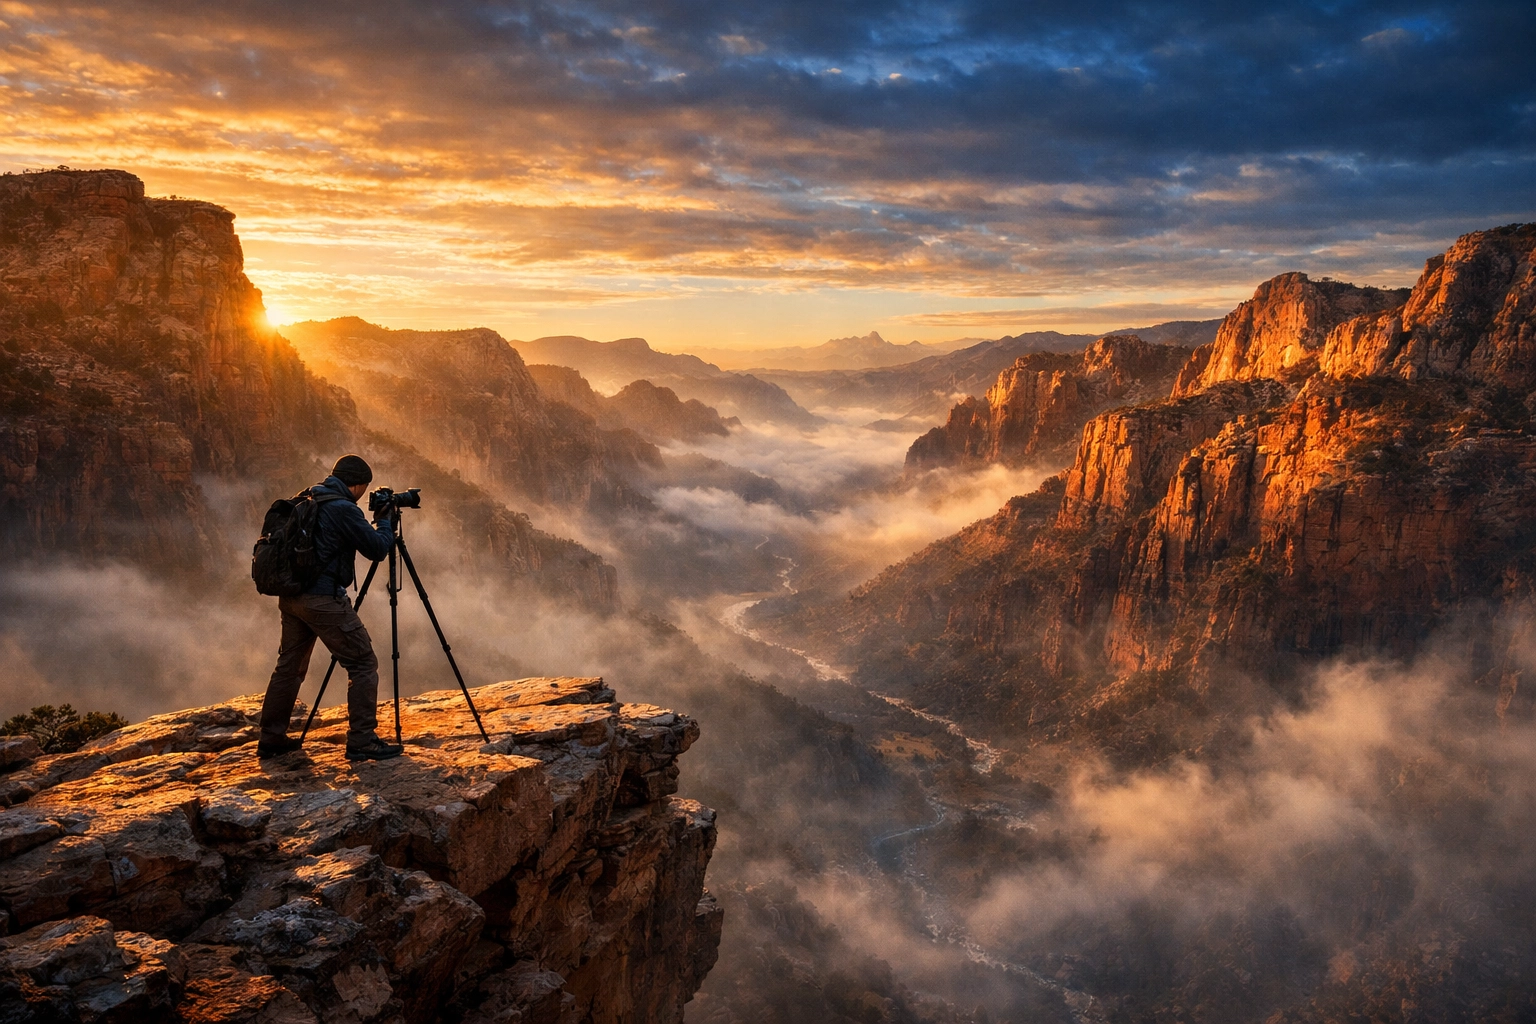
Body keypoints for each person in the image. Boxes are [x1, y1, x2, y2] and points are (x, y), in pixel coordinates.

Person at [257, 454, 403, 761]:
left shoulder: (309, 495)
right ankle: (362, 740)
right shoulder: (343, 508)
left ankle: (271, 738)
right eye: (365, 488)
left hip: (292, 597)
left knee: (289, 667)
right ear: (358, 484)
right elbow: (377, 549)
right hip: (322, 600)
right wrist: (384, 521)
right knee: (363, 663)